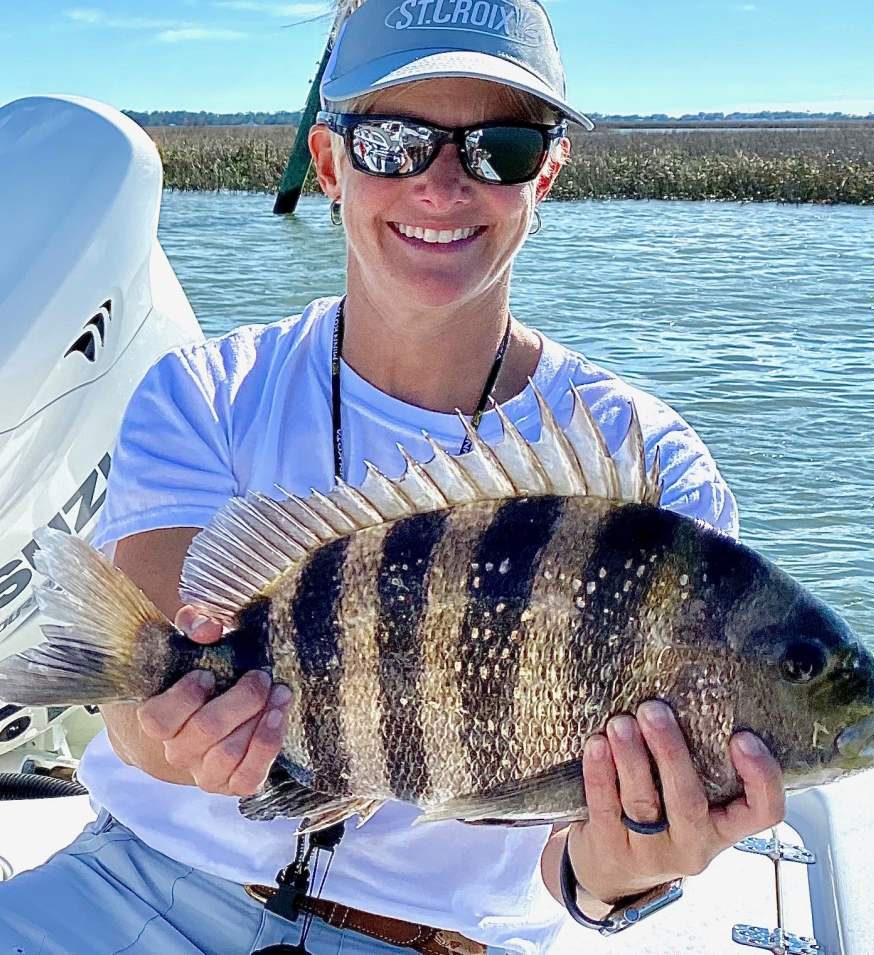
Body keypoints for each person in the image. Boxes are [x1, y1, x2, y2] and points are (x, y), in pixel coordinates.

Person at [0, 1, 785, 952]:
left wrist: (624, 868)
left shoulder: (650, 472)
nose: (442, 185)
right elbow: (140, 706)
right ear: (329, 164)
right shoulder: (206, 393)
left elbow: (570, 866)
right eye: (393, 142)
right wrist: (179, 731)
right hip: (138, 884)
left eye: (498, 148)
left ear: (547, 171)